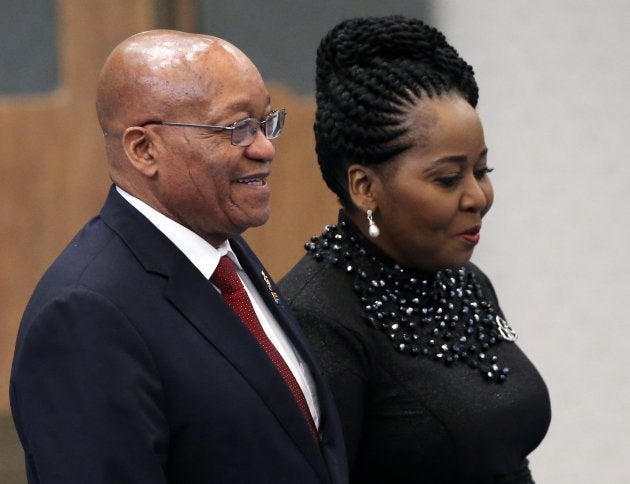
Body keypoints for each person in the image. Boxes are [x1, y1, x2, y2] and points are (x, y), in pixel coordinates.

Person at [10, 30, 348, 484]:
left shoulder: (223, 251)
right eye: (237, 128)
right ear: (144, 149)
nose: (266, 147)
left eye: (267, 122)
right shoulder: (84, 315)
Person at [279, 15, 551, 484]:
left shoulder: (464, 283)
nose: (478, 197)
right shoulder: (315, 320)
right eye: (448, 179)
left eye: (483, 171)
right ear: (364, 187)